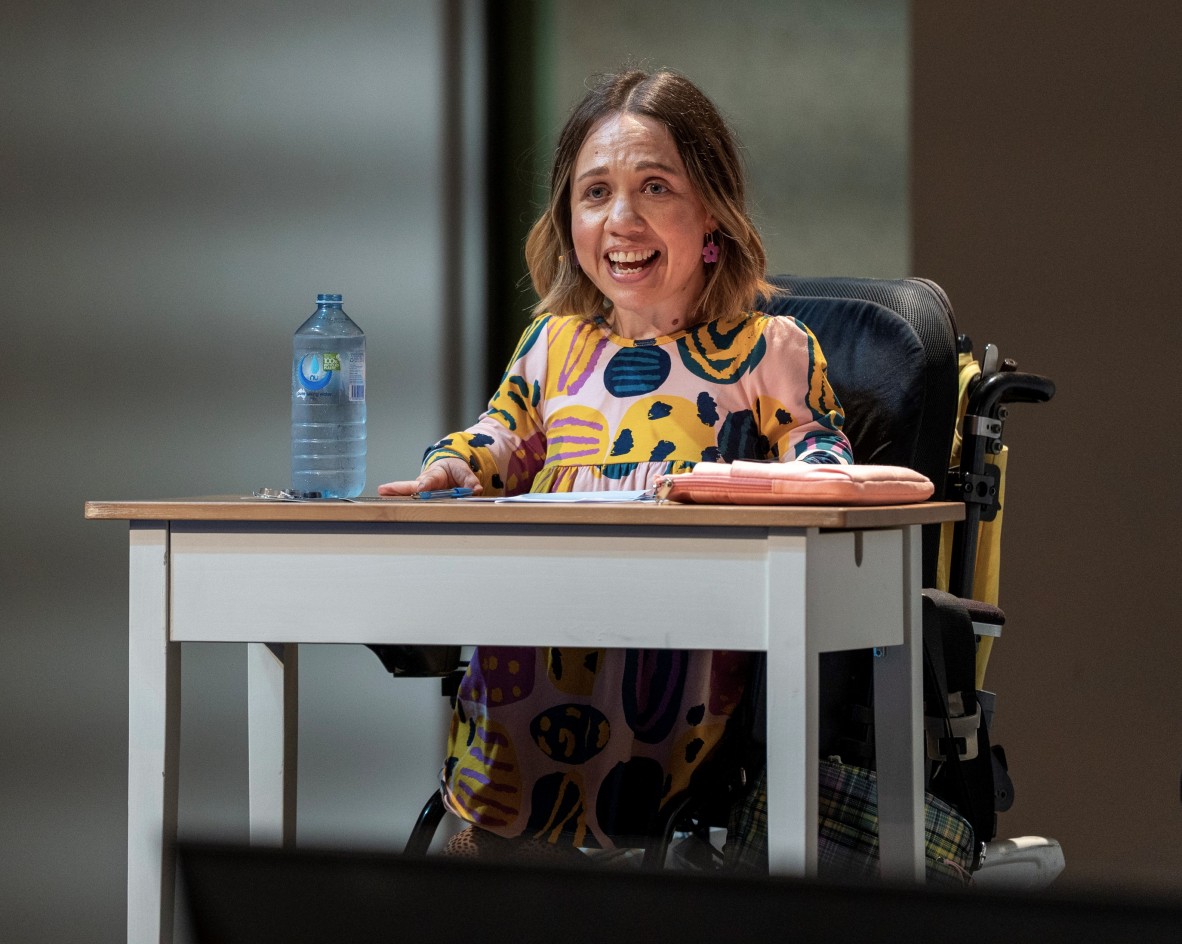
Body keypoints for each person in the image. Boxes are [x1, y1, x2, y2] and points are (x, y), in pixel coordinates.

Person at [379, 68, 853, 856]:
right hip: (535, 657)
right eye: (595, 193)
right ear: (569, 221)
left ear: (712, 215)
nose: (621, 220)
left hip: (681, 673)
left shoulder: (769, 351)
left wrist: (763, 485)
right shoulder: (551, 347)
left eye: (655, 187)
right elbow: (496, 438)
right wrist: (451, 467)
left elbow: (821, 459)